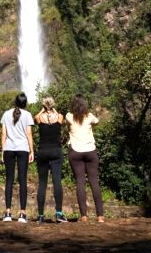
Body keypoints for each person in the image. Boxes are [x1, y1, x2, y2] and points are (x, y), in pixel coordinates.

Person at [66, 93, 104, 223]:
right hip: (90, 151)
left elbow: (67, 125)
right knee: (94, 182)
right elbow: (97, 122)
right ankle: (100, 216)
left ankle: (84, 216)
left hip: (75, 152)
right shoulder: (90, 116)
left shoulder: (69, 116)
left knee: (80, 182)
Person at [0, 92, 35, 223]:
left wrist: (2, 151)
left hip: (9, 148)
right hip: (23, 149)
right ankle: (22, 213)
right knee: (22, 180)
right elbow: (29, 134)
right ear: (25, 103)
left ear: (15, 102)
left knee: (9, 180)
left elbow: (3, 133)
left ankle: (8, 212)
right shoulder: (27, 115)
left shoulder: (5, 114)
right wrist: (32, 151)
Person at [34, 96, 68, 223]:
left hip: (42, 151)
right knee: (57, 182)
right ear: (53, 105)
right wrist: (52, 109)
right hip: (56, 151)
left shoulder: (39, 118)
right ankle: (59, 213)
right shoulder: (59, 117)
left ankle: (41, 216)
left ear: (43, 105)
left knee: (42, 184)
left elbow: (36, 117)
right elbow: (59, 115)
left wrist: (43, 110)